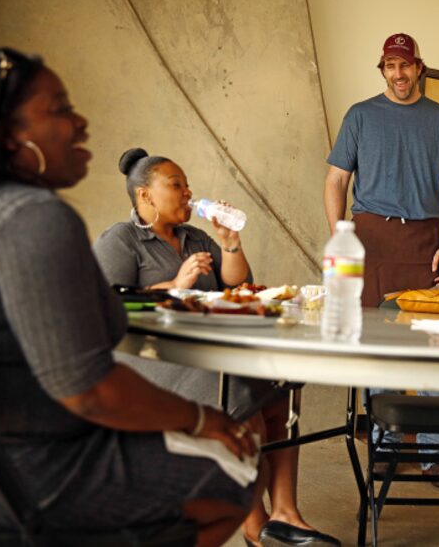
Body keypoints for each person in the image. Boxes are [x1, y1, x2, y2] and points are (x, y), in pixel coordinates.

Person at [0, 47, 264, 547]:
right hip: (37, 471)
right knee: (234, 469)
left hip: (12, 456)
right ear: (8, 132)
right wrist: (202, 419)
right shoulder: (36, 218)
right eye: (60, 108)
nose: (82, 122)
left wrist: (227, 248)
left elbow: (231, 287)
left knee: (257, 399)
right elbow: (86, 389)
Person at [94, 148, 339, 547]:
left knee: (282, 390)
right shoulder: (121, 239)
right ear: (145, 195)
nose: (188, 193)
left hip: (209, 354)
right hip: (152, 362)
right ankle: (255, 526)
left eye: (188, 185)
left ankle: (286, 514)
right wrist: (174, 285)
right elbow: (104, 305)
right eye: (176, 185)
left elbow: (236, 288)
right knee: (247, 399)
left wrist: (230, 242)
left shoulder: (196, 237)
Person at [323, 32, 439, 483]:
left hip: (427, 239)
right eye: (390, 65)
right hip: (370, 238)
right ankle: (385, 447)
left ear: (419, 66)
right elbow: (335, 182)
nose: (399, 73)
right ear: (383, 69)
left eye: (405, 65)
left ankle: (436, 455)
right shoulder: (361, 115)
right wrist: (340, 238)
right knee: (379, 346)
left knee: (435, 345)